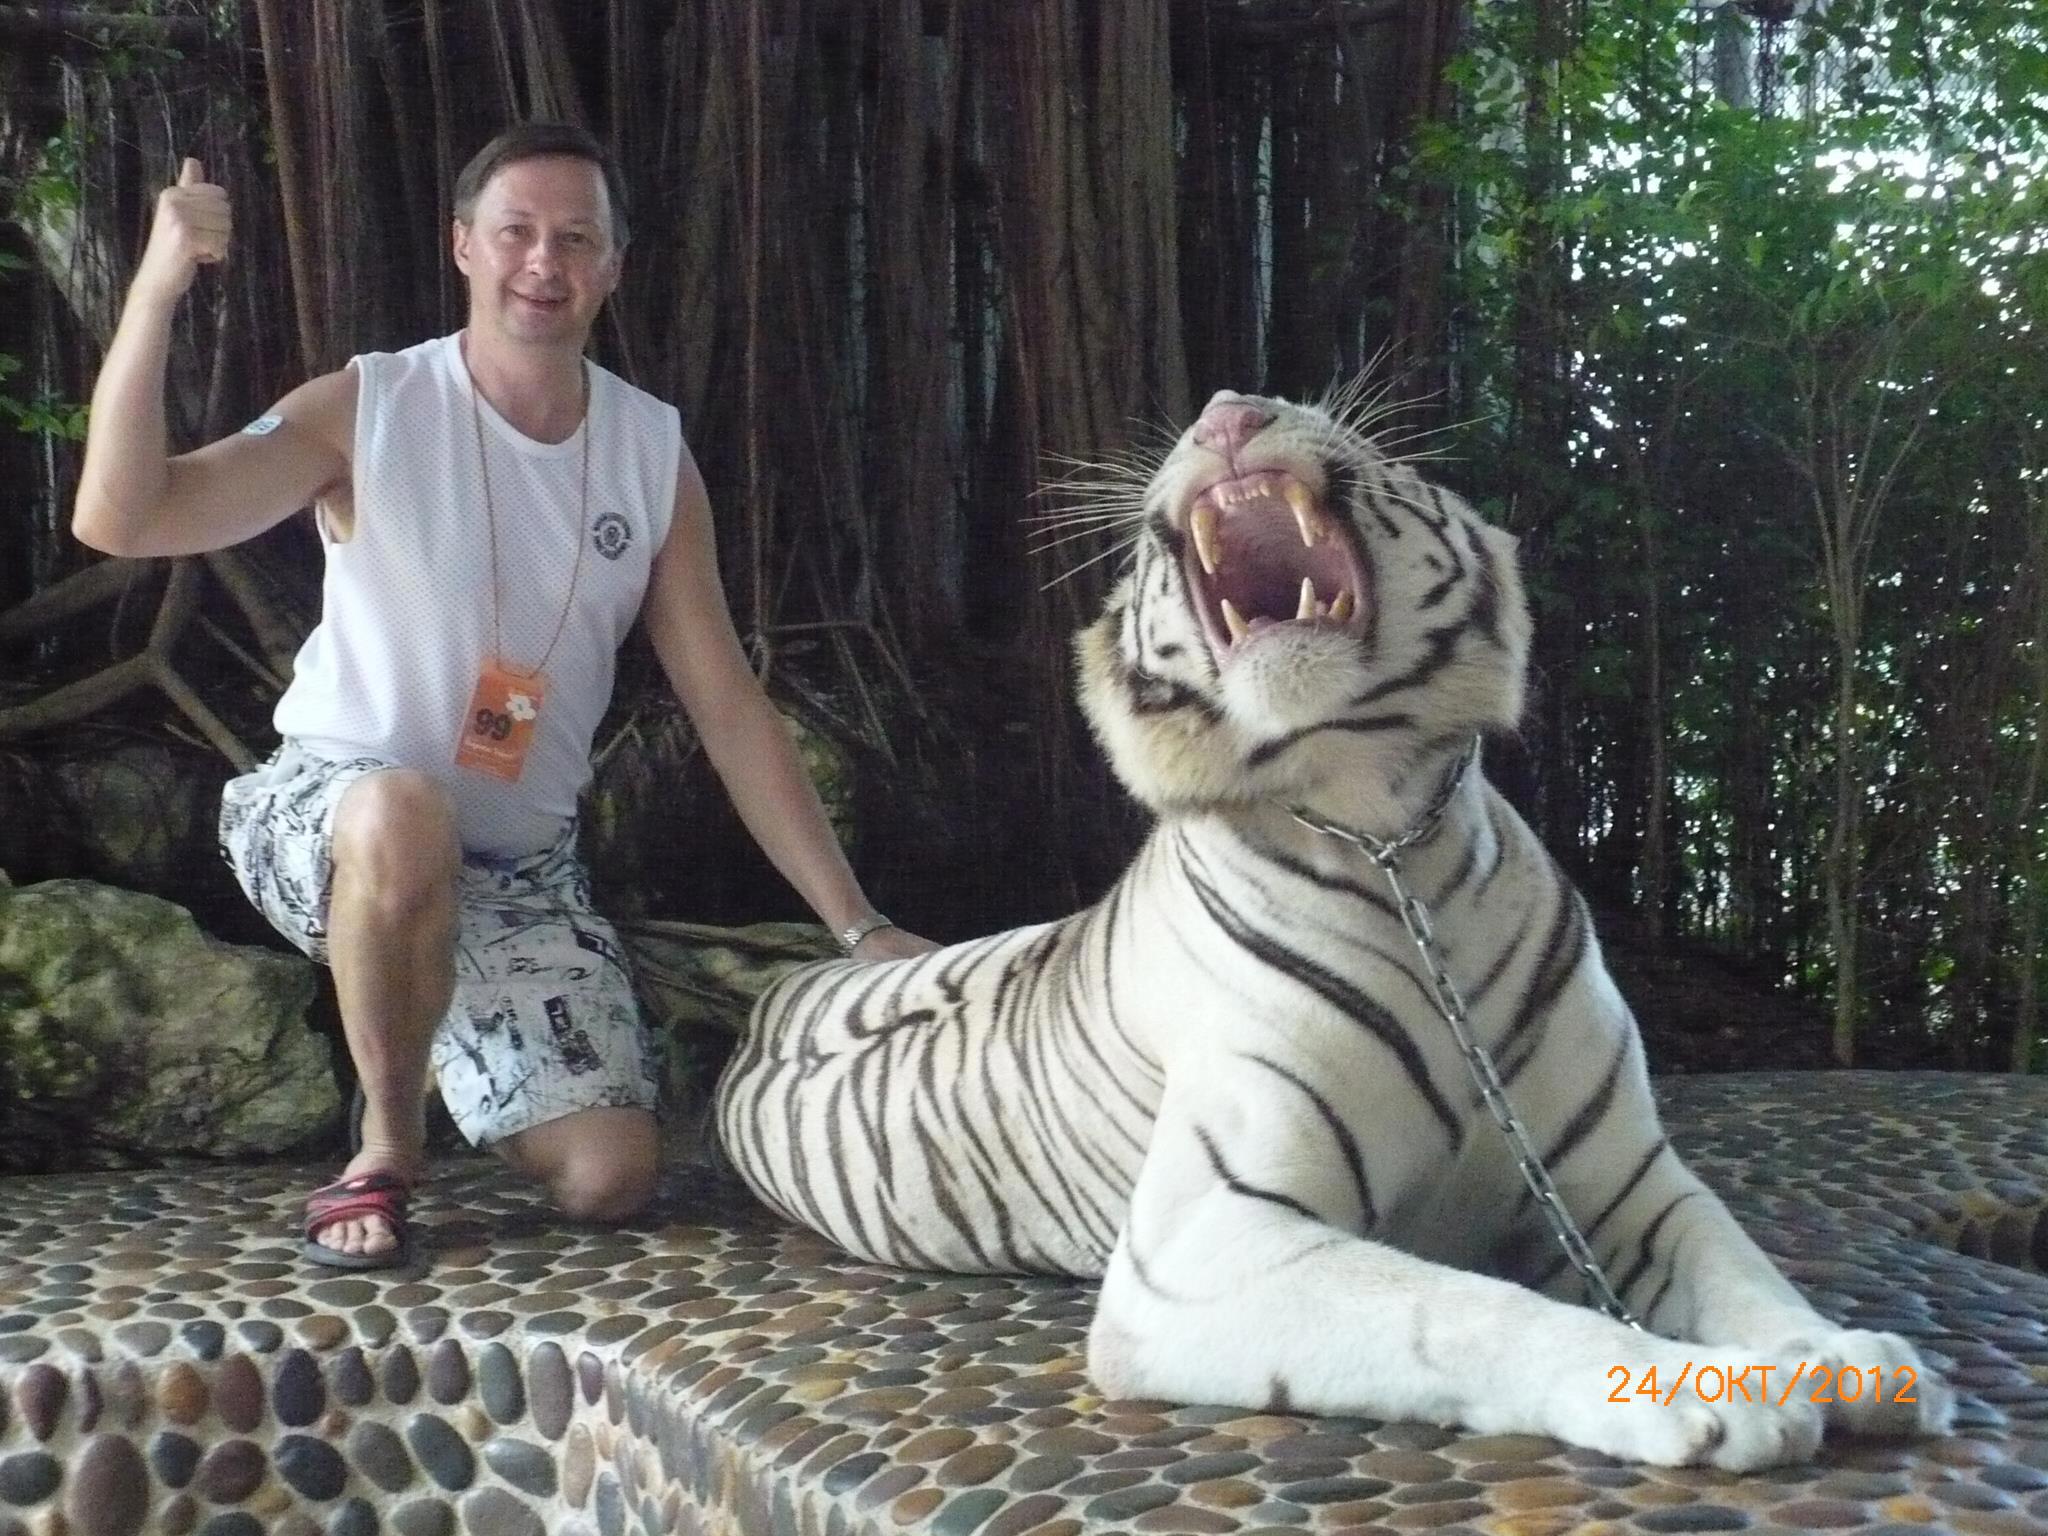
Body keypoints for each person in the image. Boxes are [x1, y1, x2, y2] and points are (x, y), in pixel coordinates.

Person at [71, 122, 935, 1269]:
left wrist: (856, 925)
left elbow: (728, 703)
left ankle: (426, 1007)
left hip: (517, 871)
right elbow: (122, 518)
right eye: (516, 231)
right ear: (464, 247)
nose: (543, 260)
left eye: (575, 239)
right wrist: (156, 292)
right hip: (323, 814)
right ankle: (385, 1141)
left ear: (612, 267)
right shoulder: (370, 406)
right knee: (404, 813)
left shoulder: (649, 453)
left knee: (609, 1177)